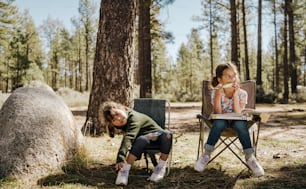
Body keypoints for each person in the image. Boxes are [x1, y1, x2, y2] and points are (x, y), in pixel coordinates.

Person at [194, 62, 264, 177]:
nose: (232, 78)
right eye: (228, 76)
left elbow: (237, 112)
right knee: (219, 123)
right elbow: (218, 112)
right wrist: (218, 95)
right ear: (220, 79)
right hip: (219, 122)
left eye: (234, 75)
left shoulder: (242, 93)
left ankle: (250, 157)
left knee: (241, 125)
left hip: (238, 122)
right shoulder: (216, 92)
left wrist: (236, 95)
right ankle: (206, 155)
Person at [99, 101, 173, 185]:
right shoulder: (120, 122)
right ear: (112, 123)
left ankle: (160, 168)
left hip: (159, 137)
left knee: (167, 134)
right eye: (114, 119)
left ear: (122, 108)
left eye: (117, 114)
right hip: (144, 141)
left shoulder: (134, 117)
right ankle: (124, 171)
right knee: (141, 139)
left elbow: (129, 137)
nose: (119, 119)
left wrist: (120, 157)